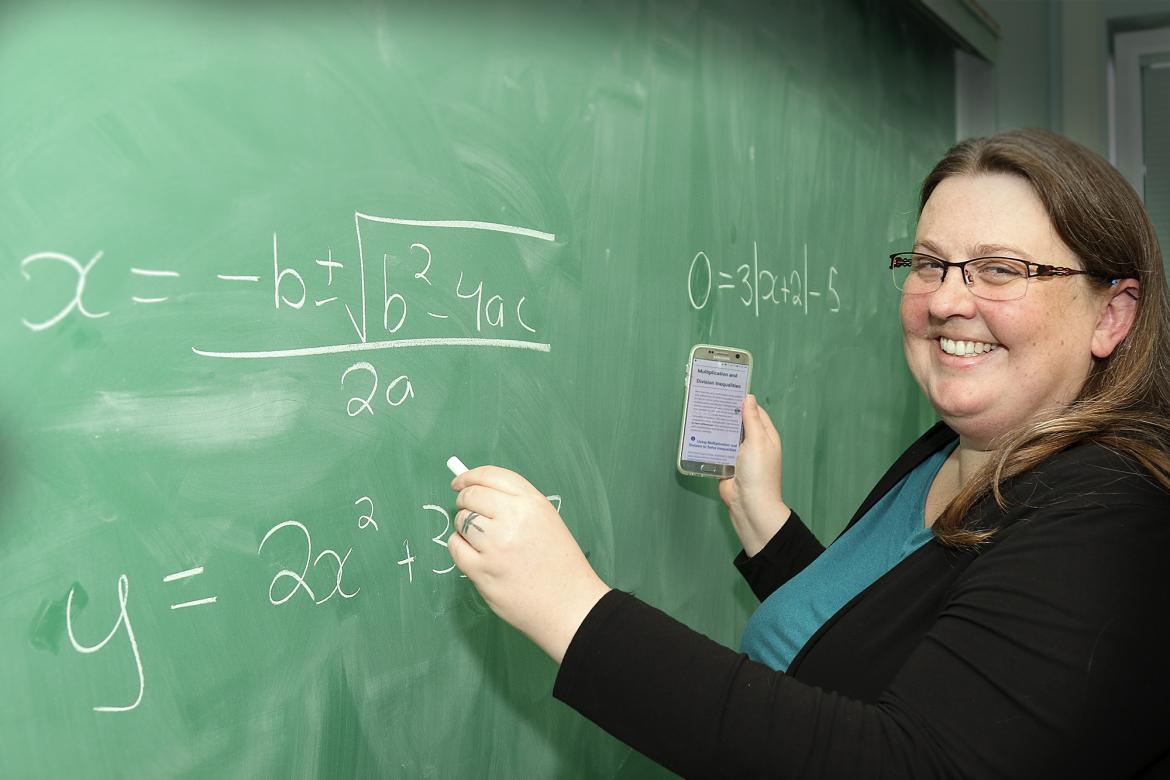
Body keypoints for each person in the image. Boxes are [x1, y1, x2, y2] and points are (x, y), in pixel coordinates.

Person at [445, 128, 1170, 777]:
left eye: (1002, 269)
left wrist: (572, 609)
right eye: (929, 263)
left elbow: (902, 757)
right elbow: (891, 648)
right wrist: (771, 532)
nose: (948, 300)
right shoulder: (953, 444)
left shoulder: (1115, 516)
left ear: (1112, 314)